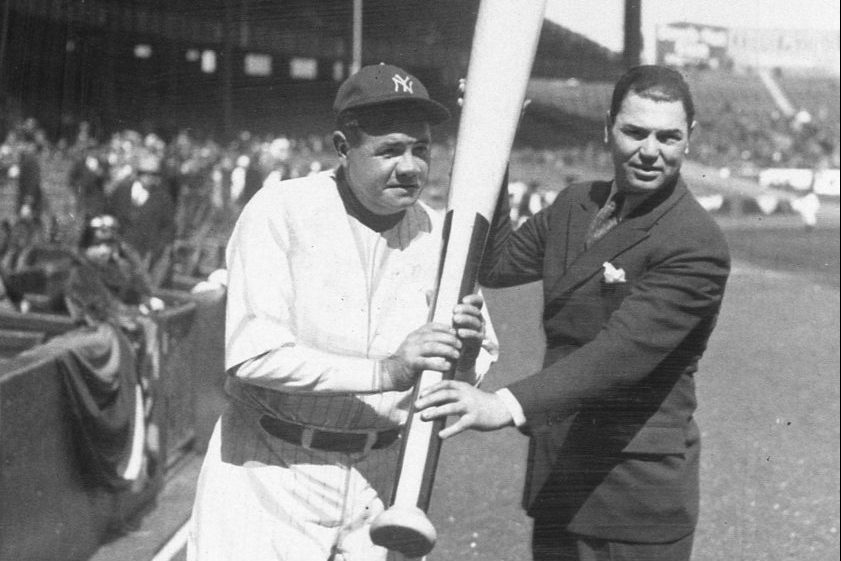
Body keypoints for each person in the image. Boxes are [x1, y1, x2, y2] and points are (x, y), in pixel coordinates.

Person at [415, 65, 731, 561]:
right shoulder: (573, 204)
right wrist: (490, 133)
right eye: (635, 132)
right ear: (608, 129)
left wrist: (505, 404)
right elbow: (495, 265)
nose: (651, 150)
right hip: (560, 477)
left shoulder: (695, 242)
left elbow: (620, 354)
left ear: (690, 138)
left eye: (668, 137)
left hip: (632, 499)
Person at [188, 63, 496, 561]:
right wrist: (388, 371)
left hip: (383, 477)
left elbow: (474, 369)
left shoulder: (442, 233)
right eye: (390, 150)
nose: (411, 166)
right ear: (342, 146)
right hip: (271, 468)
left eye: (421, 149)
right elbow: (254, 357)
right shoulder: (280, 210)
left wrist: (465, 354)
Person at [104, 149, 176, 289]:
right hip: (120, 248)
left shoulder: (163, 198)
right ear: (138, 174)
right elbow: (109, 214)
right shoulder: (122, 190)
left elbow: (169, 228)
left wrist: (157, 250)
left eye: (154, 174)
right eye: (145, 174)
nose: (149, 178)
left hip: (145, 252)